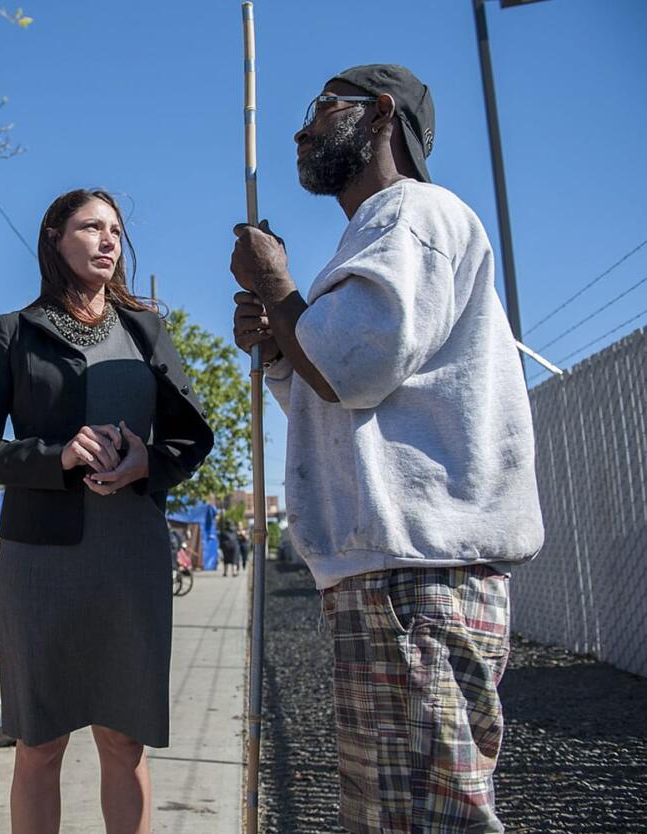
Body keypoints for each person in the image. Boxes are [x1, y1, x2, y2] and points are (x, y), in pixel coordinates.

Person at [229, 65, 543, 834]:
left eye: (320, 109)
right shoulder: (374, 234)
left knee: (428, 819)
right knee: (392, 816)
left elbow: (351, 368)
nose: (301, 130)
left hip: (417, 579)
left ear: (378, 116)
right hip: (390, 577)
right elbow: (335, 400)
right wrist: (280, 349)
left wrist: (279, 291)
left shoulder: (413, 214)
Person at [0, 188, 214, 834]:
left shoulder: (146, 330)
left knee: (124, 741)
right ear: (54, 237)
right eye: (91, 227)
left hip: (130, 556)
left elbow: (193, 437)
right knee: (39, 744)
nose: (108, 241)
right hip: (40, 560)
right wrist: (56, 455)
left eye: (117, 231)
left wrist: (145, 464)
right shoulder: (12, 333)